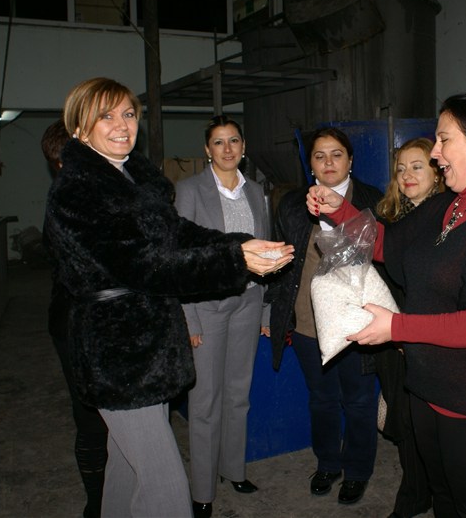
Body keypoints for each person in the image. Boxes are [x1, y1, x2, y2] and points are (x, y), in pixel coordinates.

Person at [43, 77, 293, 518]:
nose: (122, 125)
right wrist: (235, 261)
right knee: (166, 488)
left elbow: (178, 233)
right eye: (106, 116)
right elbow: (146, 266)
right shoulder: (78, 191)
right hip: (118, 354)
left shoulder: (131, 178)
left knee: (126, 469)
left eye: (128, 114)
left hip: (149, 346)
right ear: (80, 128)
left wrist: (240, 243)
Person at [307, 91, 466, 518]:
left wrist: (397, 328)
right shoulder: (448, 206)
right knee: (445, 502)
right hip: (429, 390)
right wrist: (340, 210)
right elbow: (385, 242)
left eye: (444, 140)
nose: (435, 153)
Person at [268, 127, 381, 506]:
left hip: (357, 324)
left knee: (360, 401)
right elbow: (280, 261)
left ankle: (358, 470)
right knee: (322, 399)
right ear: (310, 164)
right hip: (308, 322)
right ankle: (328, 463)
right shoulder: (292, 204)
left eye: (336, 154)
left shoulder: (372, 200)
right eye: (319, 156)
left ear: (350, 160)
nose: (328, 162)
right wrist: (274, 311)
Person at [174, 115, 269, 518]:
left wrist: (265, 307)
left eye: (233, 141)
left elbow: (264, 250)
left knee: (238, 394)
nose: (227, 149)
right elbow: (180, 257)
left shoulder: (257, 192)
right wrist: (189, 318)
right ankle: (202, 491)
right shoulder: (189, 190)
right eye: (218, 142)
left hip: (248, 302)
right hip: (207, 307)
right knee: (205, 402)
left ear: (243, 147)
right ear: (207, 150)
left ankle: (234, 470)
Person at [41, 119, 108, 518]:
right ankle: (96, 505)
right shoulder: (66, 204)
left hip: (99, 322)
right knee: (91, 418)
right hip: (75, 325)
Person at [374, 137, 443, 518]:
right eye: (401, 169)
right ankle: (417, 491)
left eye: (417, 166)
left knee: (425, 419)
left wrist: (409, 330)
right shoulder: (389, 218)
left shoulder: (447, 219)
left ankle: (424, 494)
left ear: (437, 172)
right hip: (389, 331)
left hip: (424, 333)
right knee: (402, 415)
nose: (407, 175)